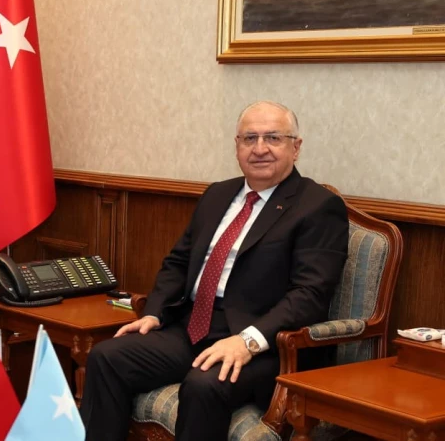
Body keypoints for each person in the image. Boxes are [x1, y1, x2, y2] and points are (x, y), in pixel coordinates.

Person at [80, 101, 349, 441]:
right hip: (193, 326)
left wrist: (247, 341)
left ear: (296, 147)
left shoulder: (318, 206)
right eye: (249, 138)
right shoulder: (218, 194)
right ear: (237, 146)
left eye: (273, 138)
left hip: (266, 343)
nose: (260, 148)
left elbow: (309, 295)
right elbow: (178, 262)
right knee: (106, 357)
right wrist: (154, 313)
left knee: (204, 384)